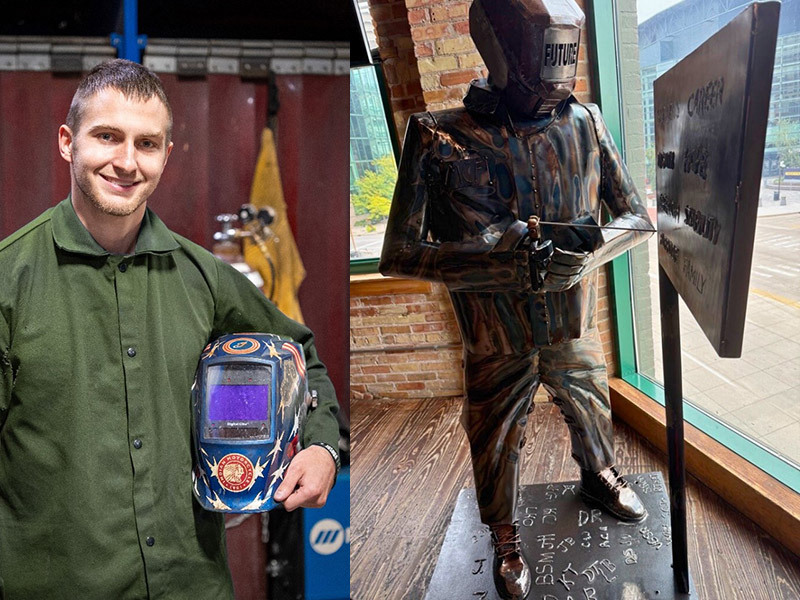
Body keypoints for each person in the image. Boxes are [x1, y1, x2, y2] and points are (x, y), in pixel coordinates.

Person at [0, 59, 339, 599]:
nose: (126, 161)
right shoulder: (9, 282)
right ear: (67, 143)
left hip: (194, 586)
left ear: (167, 155)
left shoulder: (203, 277)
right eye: (107, 137)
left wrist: (322, 447)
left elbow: (298, 349)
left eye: (147, 143)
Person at [379, 1, 654, 599]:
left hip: (570, 322)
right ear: (499, 50)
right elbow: (398, 253)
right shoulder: (437, 134)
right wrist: (488, 260)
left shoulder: (587, 122)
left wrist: (589, 254)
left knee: (591, 404)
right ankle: (503, 532)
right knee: (494, 433)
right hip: (493, 333)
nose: (551, 81)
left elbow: (635, 218)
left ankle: (599, 473)